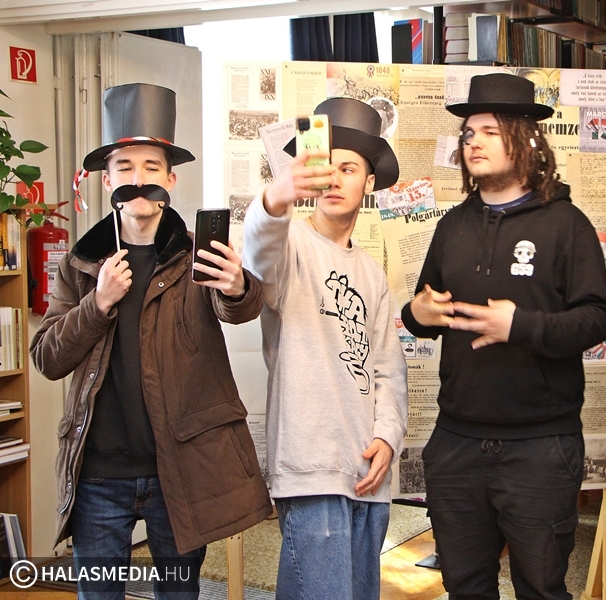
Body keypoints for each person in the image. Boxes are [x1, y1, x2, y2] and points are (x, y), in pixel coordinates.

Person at [30, 83, 271, 599]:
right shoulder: (80, 264)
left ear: (170, 179)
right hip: (98, 476)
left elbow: (237, 308)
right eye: (124, 167)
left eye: (151, 167)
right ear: (107, 179)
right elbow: (47, 358)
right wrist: (97, 304)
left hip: (178, 471)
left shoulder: (196, 253)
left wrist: (236, 285)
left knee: (180, 594)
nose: (138, 180)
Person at [400, 72, 606, 600]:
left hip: (540, 447)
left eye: (489, 131)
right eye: (468, 132)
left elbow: (597, 318)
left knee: (540, 588)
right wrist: (417, 313)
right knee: (464, 587)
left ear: (524, 140)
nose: (472, 141)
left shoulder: (567, 224)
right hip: (455, 444)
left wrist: (519, 326)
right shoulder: (451, 226)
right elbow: (422, 314)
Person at [242, 97, 408, 600]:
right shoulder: (291, 244)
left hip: (367, 472)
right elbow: (258, 251)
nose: (335, 179)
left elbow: (389, 371)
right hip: (310, 470)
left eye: (349, 168)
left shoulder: (372, 273)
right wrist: (277, 196)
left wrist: (387, 437)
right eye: (326, 166)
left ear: (369, 183)